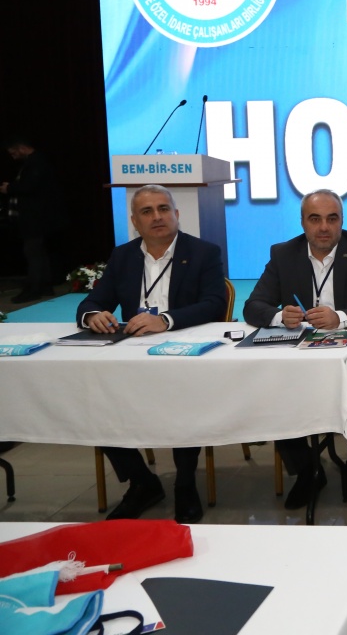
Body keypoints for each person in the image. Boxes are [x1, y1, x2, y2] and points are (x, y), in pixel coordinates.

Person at [77, 184, 227, 523]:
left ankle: (185, 483)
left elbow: (214, 304)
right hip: (131, 357)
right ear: (134, 221)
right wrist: (92, 315)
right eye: (147, 211)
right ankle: (142, 482)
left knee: (182, 398)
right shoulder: (123, 256)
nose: (157, 217)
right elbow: (93, 301)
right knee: (97, 398)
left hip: (184, 355)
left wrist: (166, 321)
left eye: (163, 209)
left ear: (177, 214)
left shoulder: (203, 252)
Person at [244, 189, 347, 509]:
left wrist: (340, 317)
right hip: (298, 359)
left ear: (342, 221)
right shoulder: (283, 253)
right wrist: (279, 316)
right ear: (303, 222)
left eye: (331, 218)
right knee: (272, 390)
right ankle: (308, 471)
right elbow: (253, 306)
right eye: (315, 219)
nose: (324, 227)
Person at [1, 135, 62, 303]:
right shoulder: (34, 162)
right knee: (40, 253)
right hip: (37, 219)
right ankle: (45, 286)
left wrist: (9, 188)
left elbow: (30, 186)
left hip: (35, 219)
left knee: (33, 253)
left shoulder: (37, 163)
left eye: (13, 153)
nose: (13, 157)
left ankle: (34, 289)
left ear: (21, 148)